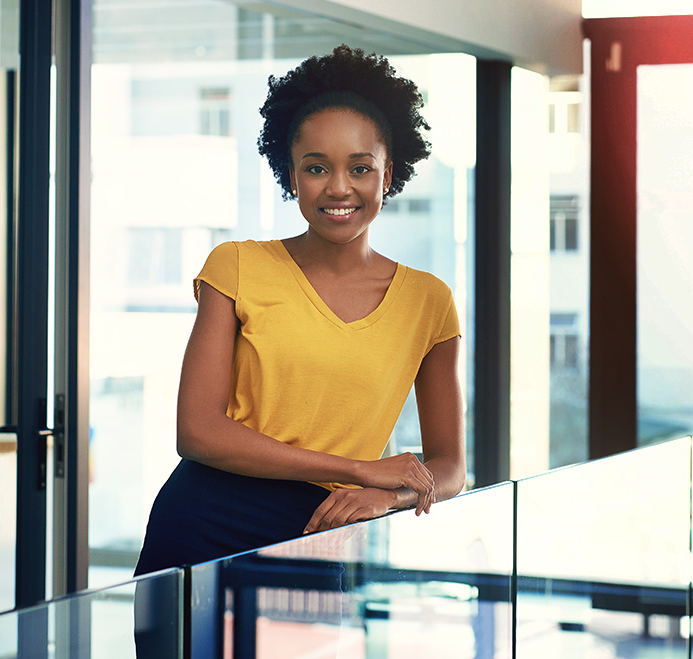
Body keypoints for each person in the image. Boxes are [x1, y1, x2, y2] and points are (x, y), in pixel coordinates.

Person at [133, 45, 466, 575]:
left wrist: (388, 496)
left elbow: (450, 468)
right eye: (316, 168)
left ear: (387, 174)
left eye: (360, 167)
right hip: (200, 522)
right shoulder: (237, 266)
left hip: (326, 530)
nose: (339, 188)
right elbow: (196, 431)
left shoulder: (429, 301)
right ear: (291, 174)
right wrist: (360, 469)